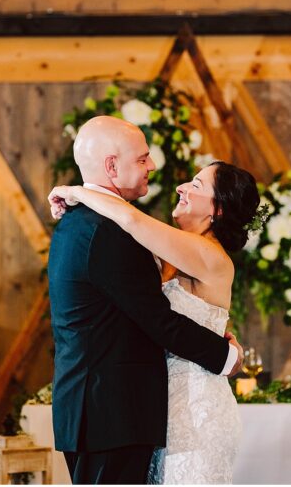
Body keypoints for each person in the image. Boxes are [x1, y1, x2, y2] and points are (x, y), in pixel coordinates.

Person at [45, 116, 245, 485]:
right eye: (141, 159)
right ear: (111, 167)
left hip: (148, 411)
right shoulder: (107, 230)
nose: (152, 166)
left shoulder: (90, 222)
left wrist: (75, 192)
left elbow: (154, 312)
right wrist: (226, 355)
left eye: (197, 184)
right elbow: (158, 320)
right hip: (114, 414)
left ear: (218, 210)